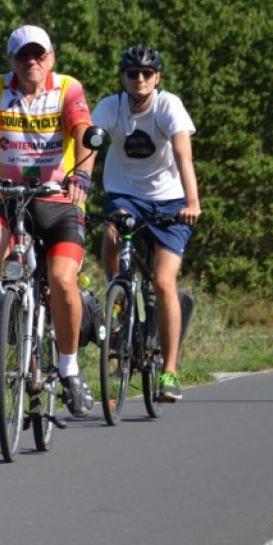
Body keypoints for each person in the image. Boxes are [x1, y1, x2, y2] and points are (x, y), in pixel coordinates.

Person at [0, 25, 96, 417]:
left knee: (64, 279)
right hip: (8, 198)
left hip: (59, 200)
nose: (32, 62)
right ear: (11, 61)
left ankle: (69, 370)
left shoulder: (68, 88)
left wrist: (81, 174)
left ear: (51, 57)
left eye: (39, 55)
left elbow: (84, 131)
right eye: (23, 56)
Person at [92, 44, 200, 402]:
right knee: (111, 228)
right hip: (126, 194)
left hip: (170, 200)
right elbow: (89, 145)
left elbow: (183, 155)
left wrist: (192, 202)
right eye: (132, 73)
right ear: (123, 77)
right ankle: (117, 294)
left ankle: (169, 372)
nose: (139, 79)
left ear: (157, 78)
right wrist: (76, 183)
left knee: (163, 281)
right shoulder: (112, 106)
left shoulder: (169, 106)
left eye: (147, 73)